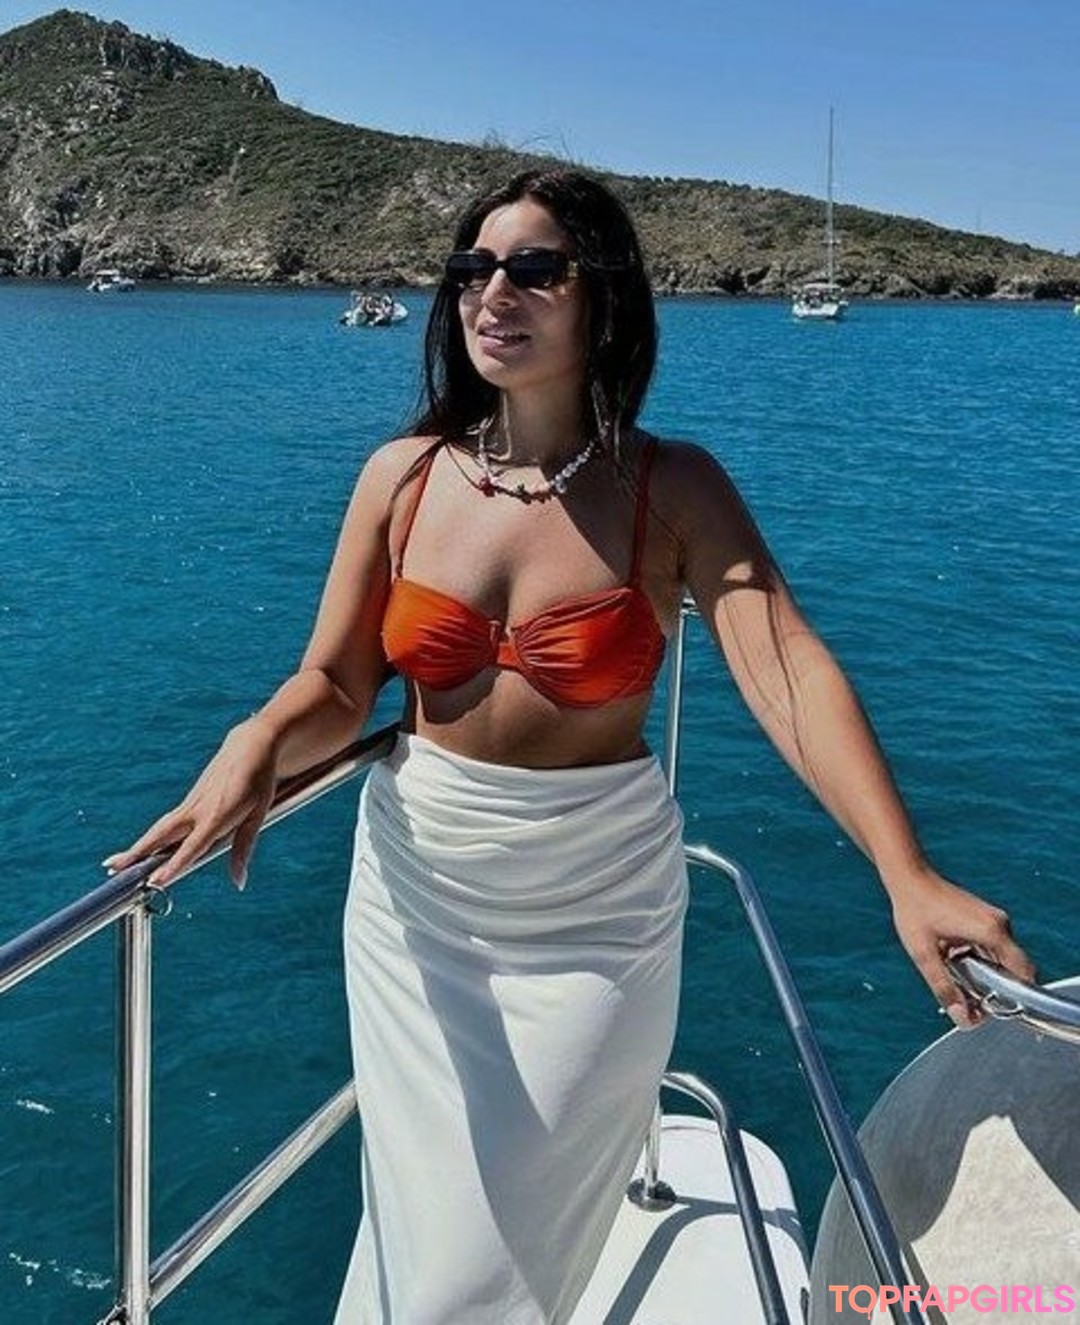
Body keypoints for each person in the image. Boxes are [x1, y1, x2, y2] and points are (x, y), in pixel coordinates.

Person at [103, 168, 1035, 1323]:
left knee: (494, 1260)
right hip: (414, 901)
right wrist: (259, 738)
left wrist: (907, 872)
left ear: (603, 298)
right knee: (419, 1222)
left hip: (595, 913)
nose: (493, 293)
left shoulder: (671, 488)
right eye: (472, 269)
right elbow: (339, 682)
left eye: (535, 269)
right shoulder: (402, 478)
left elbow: (786, 669)